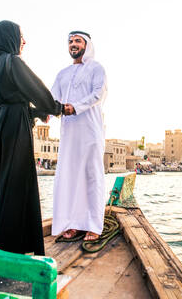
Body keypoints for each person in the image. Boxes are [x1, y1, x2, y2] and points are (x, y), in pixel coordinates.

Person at [0, 20, 63, 255]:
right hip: (16, 129)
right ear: (10, 37)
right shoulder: (13, 62)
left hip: (0, 127)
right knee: (16, 181)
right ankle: (10, 246)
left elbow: (10, 101)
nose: (24, 41)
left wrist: (38, 113)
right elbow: (36, 90)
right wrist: (55, 107)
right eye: (21, 36)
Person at [51, 31, 107, 241]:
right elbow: (52, 97)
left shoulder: (96, 68)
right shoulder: (62, 74)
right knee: (70, 176)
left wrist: (74, 108)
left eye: (77, 41)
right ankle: (73, 223)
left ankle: (94, 225)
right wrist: (45, 112)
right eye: (70, 42)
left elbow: (97, 94)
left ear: (87, 45)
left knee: (92, 175)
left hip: (90, 130)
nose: (73, 44)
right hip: (68, 133)